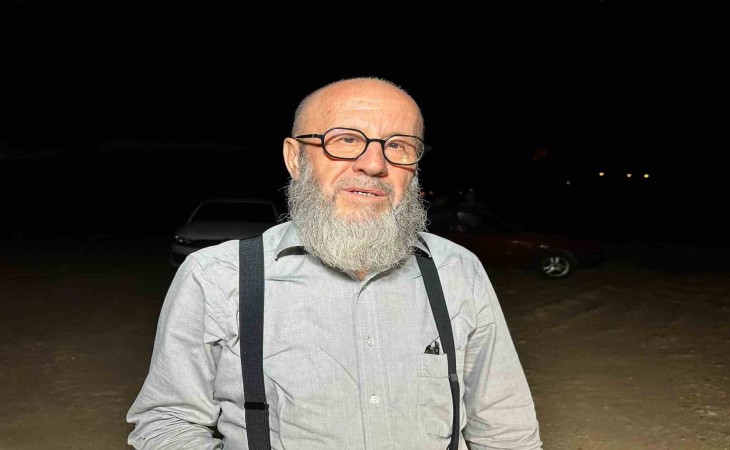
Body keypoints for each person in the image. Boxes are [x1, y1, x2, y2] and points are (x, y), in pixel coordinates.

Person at [126, 77, 542, 449]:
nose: (374, 164)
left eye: (398, 145)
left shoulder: (458, 270)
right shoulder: (217, 277)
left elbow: (505, 427)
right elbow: (167, 424)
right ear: (295, 159)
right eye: (345, 140)